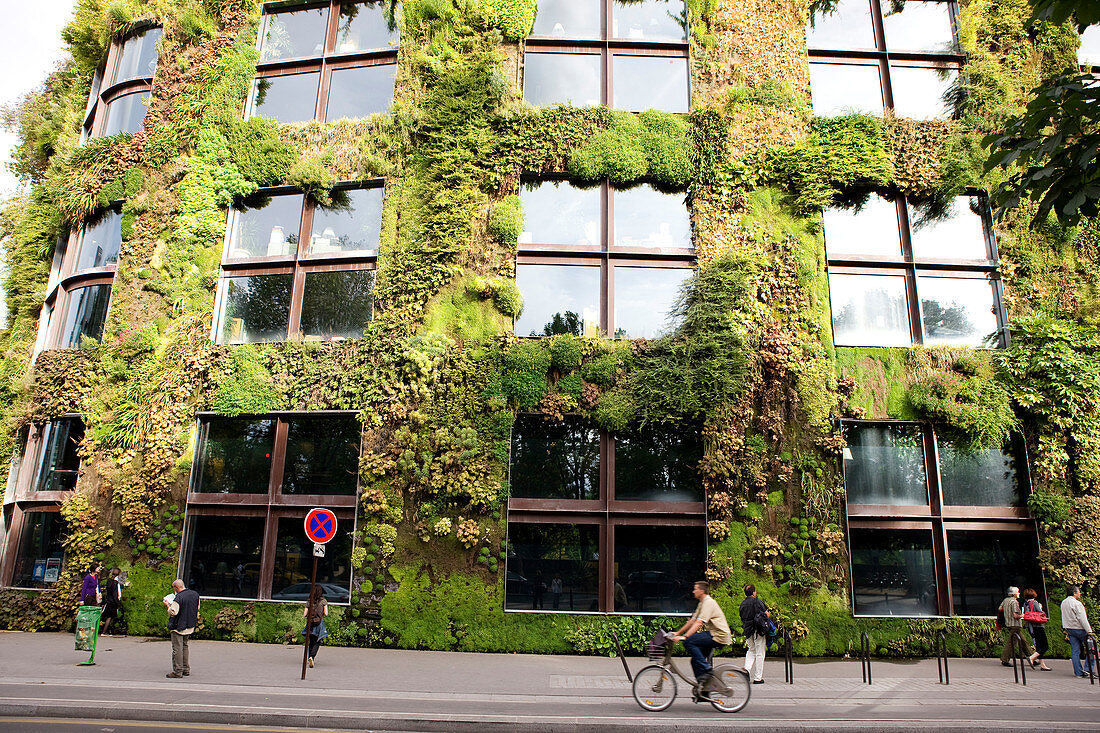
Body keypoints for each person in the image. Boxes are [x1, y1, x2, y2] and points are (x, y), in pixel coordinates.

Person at [670, 581, 732, 698]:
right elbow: (692, 621)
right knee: (694, 661)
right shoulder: (702, 603)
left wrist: (685, 637)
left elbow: (699, 623)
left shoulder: (708, 602)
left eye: (695, 589)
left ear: (701, 591)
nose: (693, 591)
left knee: (689, 642)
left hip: (719, 635)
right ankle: (704, 691)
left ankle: (707, 669)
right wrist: (677, 633)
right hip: (713, 633)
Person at [164, 578, 200, 679]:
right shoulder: (195, 594)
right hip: (190, 624)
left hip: (178, 626)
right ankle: (186, 669)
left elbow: (173, 612)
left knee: (177, 649)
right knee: (185, 646)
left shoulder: (178, 597)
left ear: (176, 587)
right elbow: (197, 608)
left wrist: (168, 605)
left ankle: (177, 671)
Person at [999, 586, 1040, 668]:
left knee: (1023, 641)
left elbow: (1000, 608)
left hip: (1009, 624)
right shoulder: (1014, 602)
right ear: (1014, 594)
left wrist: (1007, 614)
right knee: (1011, 643)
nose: (1019, 593)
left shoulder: (1006, 600)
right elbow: (1015, 615)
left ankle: (1031, 658)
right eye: (1018, 592)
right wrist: (1023, 615)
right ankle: (1005, 659)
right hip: (1015, 625)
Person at [739, 584, 770, 684]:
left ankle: (746, 670)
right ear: (753, 593)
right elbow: (767, 614)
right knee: (760, 652)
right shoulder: (757, 601)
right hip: (758, 630)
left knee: (751, 649)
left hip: (748, 630)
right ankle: (758, 677)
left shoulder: (743, 604)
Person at [1061, 585, 1094, 678]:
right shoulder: (1077, 604)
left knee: (1075, 651)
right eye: (1079, 591)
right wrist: (1089, 631)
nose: (1080, 593)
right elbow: (1082, 619)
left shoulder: (1064, 602)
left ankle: (1078, 672)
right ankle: (1088, 669)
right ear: (1074, 593)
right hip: (1079, 629)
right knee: (1092, 649)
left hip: (1069, 628)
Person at [1021, 588, 1051, 671]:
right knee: (1045, 646)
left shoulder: (1025, 604)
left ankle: (1042, 665)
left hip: (1031, 626)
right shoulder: (1035, 603)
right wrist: (1041, 608)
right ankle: (1032, 658)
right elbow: (1041, 614)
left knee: (1039, 646)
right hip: (1038, 626)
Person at [302, 585, 329, 668]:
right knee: (317, 641)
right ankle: (312, 657)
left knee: (311, 641)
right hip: (319, 623)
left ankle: (309, 657)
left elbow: (304, 614)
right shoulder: (323, 601)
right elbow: (326, 613)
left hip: (310, 623)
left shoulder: (309, 601)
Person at [100, 568, 129, 636]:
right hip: (113, 602)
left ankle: (108, 631)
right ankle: (104, 632)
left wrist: (124, 585)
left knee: (110, 617)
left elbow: (117, 586)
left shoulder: (110, 580)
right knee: (110, 617)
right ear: (118, 574)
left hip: (108, 601)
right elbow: (115, 594)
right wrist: (118, 603)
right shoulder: (115, 583)